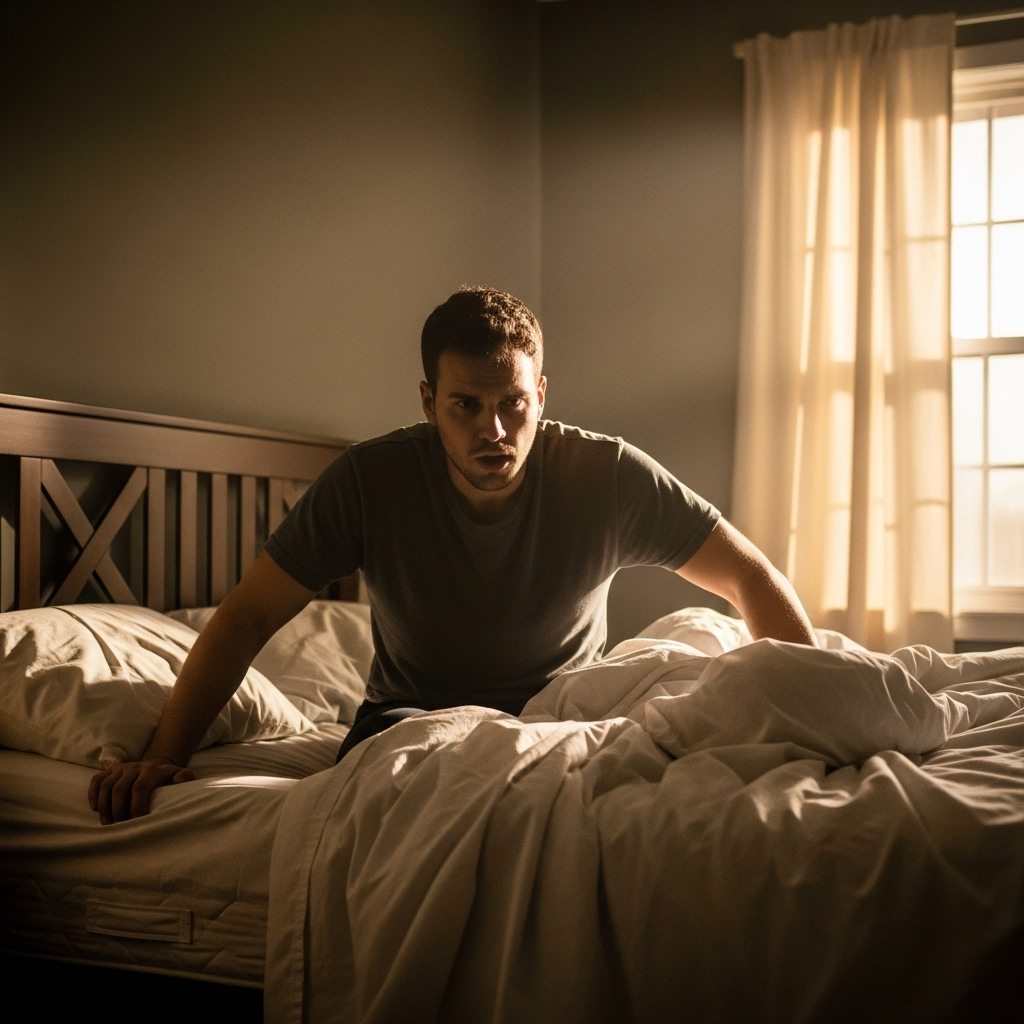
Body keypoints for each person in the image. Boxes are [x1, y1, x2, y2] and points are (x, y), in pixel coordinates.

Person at [89, 287, 817, 824]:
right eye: (466, 405)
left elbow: (748, 576)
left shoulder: (609, 475)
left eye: (514, 404)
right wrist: (164, 751)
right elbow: (247, 616)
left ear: (542, 394)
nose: (493, 429)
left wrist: (817, 711)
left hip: (564, 717)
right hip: (410, 720)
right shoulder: (372, 481)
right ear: (428, 401)